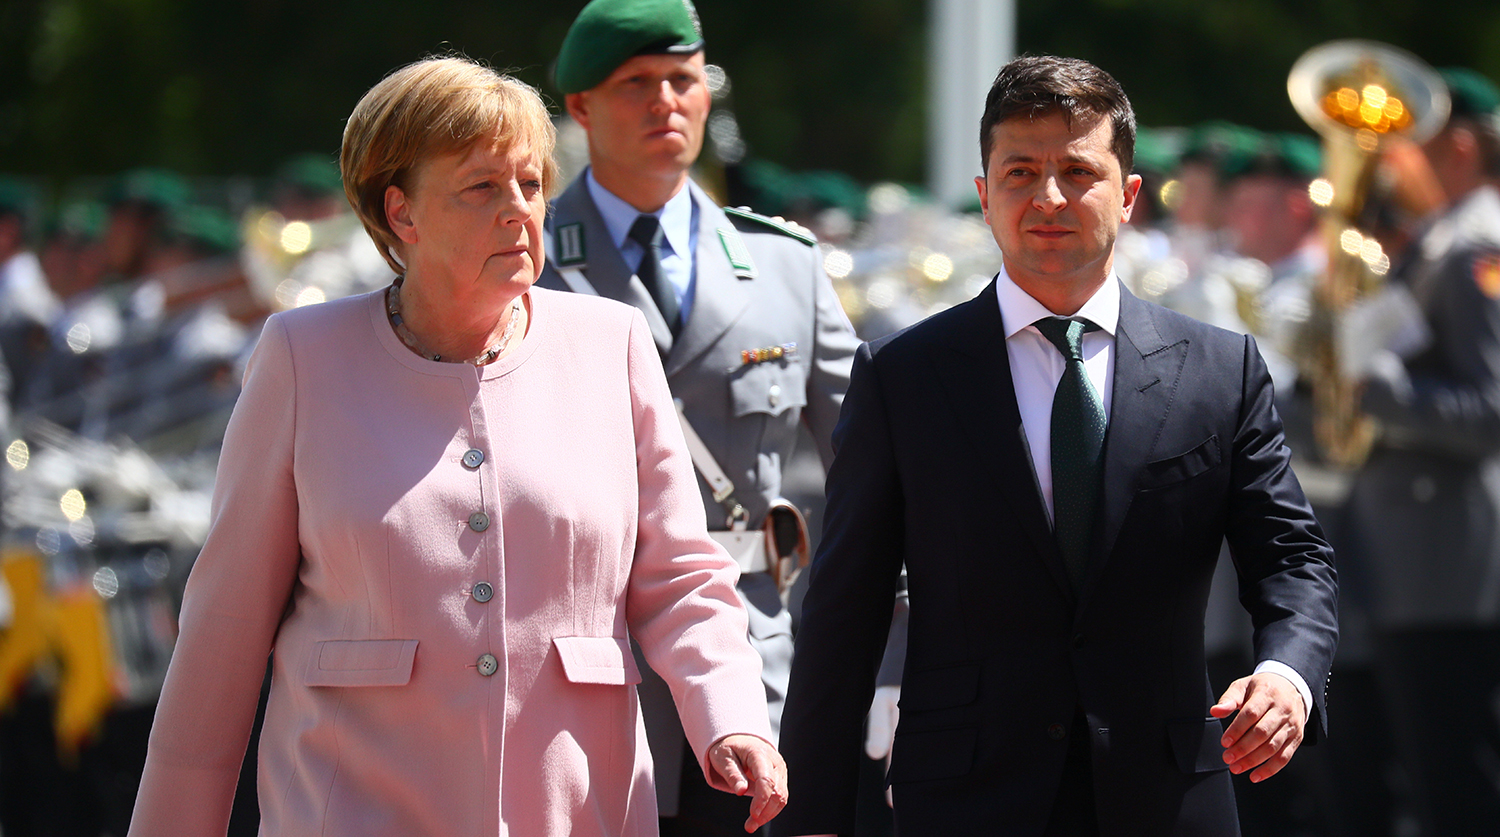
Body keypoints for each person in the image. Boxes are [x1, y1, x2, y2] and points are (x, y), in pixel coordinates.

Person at [127, 56, 787, 837]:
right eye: (482, 187)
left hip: (575, 810)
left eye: (531, 184)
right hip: (352, 812)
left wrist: (733, 717)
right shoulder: (303, 356)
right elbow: (224, 630)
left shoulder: (613, 343)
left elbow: (681, 575)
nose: (518, 210)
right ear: (401, 212)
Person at [775, 55, 1339, 836]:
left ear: (1129, 195)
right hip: (969, 802)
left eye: (1078, 171)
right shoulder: (903, 376)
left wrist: (1286, 675)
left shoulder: (1220, 369)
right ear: (985, 196)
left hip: (1166, 798)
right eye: (1020, 172)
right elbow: (846, 606)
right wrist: (811, 815)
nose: (1048, 197)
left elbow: (1292, 558)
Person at [538, 2, 859, 834]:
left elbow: (872, 474)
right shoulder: (524, 257)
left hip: (751, 658)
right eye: (636, 84)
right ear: (580, 107)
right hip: (575, 657)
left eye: (682, 80)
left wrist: (892, 659)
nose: (665, 102)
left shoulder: (785, 264)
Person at [1345, 66, 1500, 836]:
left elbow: (1489, 412)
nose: (1391, 158)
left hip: (1447, 565)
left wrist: (1378, 391)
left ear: (1461, 148)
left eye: (1410, 141)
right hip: (1416, 561)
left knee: (1458, 789)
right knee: (1435, 787)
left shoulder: (1474, 248)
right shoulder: (1442, 241)